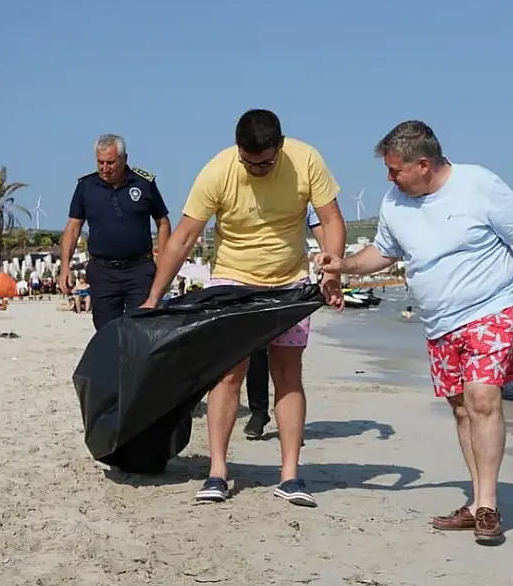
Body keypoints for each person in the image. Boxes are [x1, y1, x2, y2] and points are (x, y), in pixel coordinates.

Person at [314, 120, 513, 545]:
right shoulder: (395, 200)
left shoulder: (480, 185)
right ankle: (475, 500)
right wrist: (346, 265)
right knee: (462, 408)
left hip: (493, 306)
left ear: (424, 164)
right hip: (439, 321)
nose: (389, 179)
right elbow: (384, 251)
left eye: (396, 170)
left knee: (483, 399)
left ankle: (487, 506)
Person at [139, 108, 348, 508]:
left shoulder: (307, 160)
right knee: (228, 374)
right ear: (238, 151)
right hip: (233, 280)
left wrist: (332, 270)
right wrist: (153, 297)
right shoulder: (218, 170)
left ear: (280, 147)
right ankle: (218, 470)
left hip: (289, 281)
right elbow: (183, 238)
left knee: (287, 372)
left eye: (265, 162)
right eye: (248, 162)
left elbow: (332, 220)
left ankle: (290, 475)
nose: (256, 170)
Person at [60, 134, 172, 331]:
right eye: (100, 162)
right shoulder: (85, 186)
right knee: (106, 332)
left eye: (110, 163)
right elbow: (72, 228)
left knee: (140, 329)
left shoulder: (144, 183)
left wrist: (162, 262)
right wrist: (65, 267)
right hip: (102, 272)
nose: (105, 168)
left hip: (140, 271)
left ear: (124, 159)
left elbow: (162, 222)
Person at [244, 203, 326, 440]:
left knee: (288, 361)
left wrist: (330, 266)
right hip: (252, 278)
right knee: (255, 353)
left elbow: (321, 228)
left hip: (290, 281)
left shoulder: (304, 198)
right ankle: (259, 413)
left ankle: (291, 426)